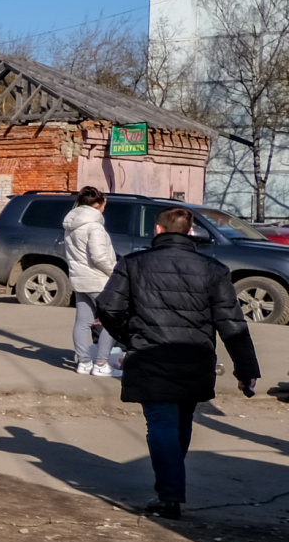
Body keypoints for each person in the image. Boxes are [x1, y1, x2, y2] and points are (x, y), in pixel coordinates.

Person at [96, 206, 261, 520]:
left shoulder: (133, 264)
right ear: (190, 233)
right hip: (194, 357)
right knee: (181, 421)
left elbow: (108, 307)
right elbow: (232, 323)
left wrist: (130, 336)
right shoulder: (213, 269)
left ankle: (169, 496)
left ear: (157, 230)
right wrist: (247, 369)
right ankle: (170, 489)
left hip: (150, 355)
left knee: (161, 424)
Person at [62, 187, 117, 377]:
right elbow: (100, 257)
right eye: (103, 206)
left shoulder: (71, 225)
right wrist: (115, 272)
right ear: (96, 205)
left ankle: (84, 362)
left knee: (82, 321)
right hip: (98, 281)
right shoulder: (94, 227)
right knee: (113, 321)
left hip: (79, 279)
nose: (104, 209)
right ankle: (101, 363)